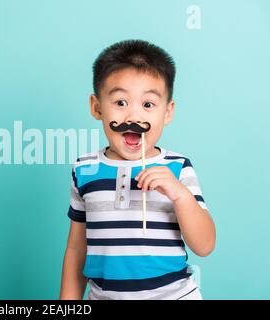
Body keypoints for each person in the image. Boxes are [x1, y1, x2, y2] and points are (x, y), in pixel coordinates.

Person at [59, 39, 216, 300]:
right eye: (120, 102)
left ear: (168, 112)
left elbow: (205, 245)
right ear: (97, 107)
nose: (133, 117)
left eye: (148, 105)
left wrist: (180, 195)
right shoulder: (85, 170)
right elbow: (77, 249)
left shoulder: (177, 168)